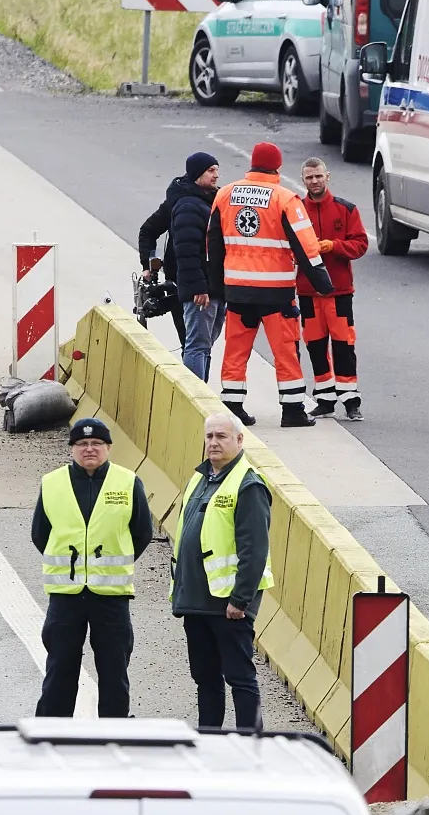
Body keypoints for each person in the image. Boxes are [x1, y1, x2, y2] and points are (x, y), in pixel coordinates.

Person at [32, 418, 154, 718]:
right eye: (82, 444)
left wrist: (110, 562)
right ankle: (51, 732)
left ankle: (113, 733)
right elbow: (40, 534)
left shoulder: (127, 482)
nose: (90, 449)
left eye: (97, 444)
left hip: (111, 596)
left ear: (108, 448)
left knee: (114, 673)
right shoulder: (52, 483)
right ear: (72, 448)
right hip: (66, 596)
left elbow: (141, 533)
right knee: (60, 670)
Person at [207, 141, 332, 429]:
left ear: (252, 163)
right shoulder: (285, 198)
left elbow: (213, 244)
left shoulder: (225, 194)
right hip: (276, 292)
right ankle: (292, 410)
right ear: (277, 166)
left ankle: (232, 405)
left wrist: (217, 286)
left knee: (236, 348)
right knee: (285, 350)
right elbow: (306, 246)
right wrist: (323, 284)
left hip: (237, 289)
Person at [172, 412, 273, 731]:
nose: (214, 443)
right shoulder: (200, 478)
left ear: (239, 441)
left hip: (229, 605)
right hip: (196, 601)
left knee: (240, 678)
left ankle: (250, 745)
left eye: (222, 437)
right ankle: (209, 740)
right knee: (205, 679)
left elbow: (254, 549)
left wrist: (240, 600)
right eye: (210, 437)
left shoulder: (248, 484)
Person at [294, 157, 369, 419]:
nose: (314, 181)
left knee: (343, 345)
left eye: (318, 176)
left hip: (338, 292)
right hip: (308, 291)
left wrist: (333, 246)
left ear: (328, 176)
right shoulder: (295, 209)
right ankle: (325, 398)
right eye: (309, 177)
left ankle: (351, 400)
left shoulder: (346, 209)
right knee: (314, 345)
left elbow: (360, 244)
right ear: (303, 180)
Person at [138, 152, 223, 382]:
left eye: (216, 169)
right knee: (194, 344)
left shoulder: (214, 198)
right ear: (197, 174)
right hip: (189, 284)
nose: (217, 175)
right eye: (211, 170)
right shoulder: (184, 203)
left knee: (201, 344)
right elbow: (155, 233)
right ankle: (195, 396)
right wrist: (148, 265)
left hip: (208, 283)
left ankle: (199, 391)